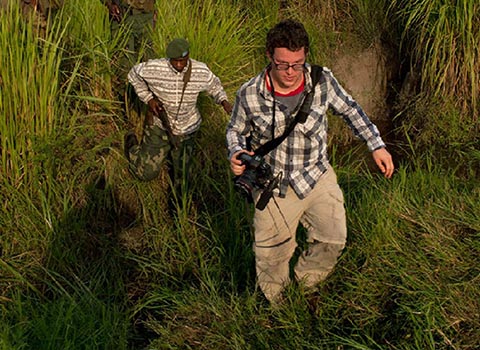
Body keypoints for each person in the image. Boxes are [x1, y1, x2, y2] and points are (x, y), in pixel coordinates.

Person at [226, 19, 394, 304]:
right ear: (269, 56)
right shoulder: (250, 93)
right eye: (282, 64)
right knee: (271, 254)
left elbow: (351, 111)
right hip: (273, 186)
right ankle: (279, 305)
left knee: (333, 239)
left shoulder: (322, 80)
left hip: (316, 176)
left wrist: (376, 145)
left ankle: (305, 287)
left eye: (297, 63)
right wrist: (236, 152)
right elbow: (235, 130)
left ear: (305, 56)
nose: (291, 72)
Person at [125, 38, 233, 202]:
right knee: (144, 173)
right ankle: (132, 145)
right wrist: (148, 99)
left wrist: (223, 101)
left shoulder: (200, 71)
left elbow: (215, 86)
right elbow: (133, 75)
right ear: (169, 58)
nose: (179, 65)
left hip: (187, 130)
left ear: (188, 56)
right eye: (175, 61)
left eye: (182, 61)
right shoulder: (154, 68)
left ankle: (177, 211)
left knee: (182, 179)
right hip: (159, 127)